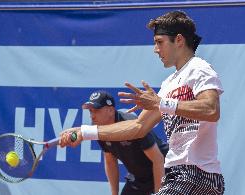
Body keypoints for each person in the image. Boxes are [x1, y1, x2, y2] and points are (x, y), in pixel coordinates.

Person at [60, 10, 225, 194]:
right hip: (176, 175)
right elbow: (138, 127)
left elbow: (211, 109)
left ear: (179, 40)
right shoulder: (169, 84)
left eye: (159, 42)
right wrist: (85, 132)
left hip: (197, 174)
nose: (155, 49)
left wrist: (162, 103)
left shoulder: (199, 68)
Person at [81, 90, 168, 195]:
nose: (92, 116)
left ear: (111, 110)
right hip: (138, 178)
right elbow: (110, 162)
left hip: (165, 169)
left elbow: (158, 159)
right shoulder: (98, 129)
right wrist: (114, 193)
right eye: (90, 111)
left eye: (96, 111)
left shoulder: (130, 123)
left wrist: (160, 193)